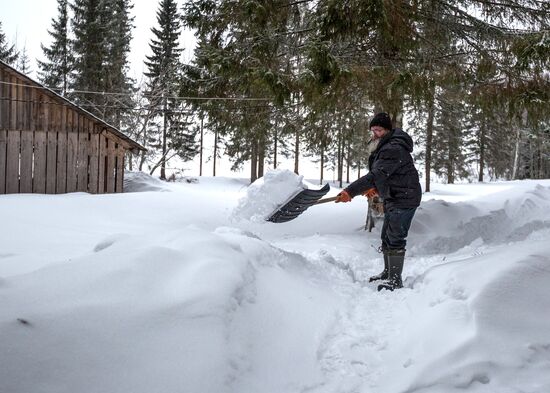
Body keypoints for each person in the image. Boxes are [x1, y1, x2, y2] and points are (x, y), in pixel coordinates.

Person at [335, 112, 422, 291]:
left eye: (379, 130)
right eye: (373, 130)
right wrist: (375, 187)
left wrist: (350, 191)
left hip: (404, 198)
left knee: (396, 238)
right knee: (386, 237)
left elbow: (376, 174)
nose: (375, 133)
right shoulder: (385, 145)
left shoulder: (393, 148)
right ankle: (388, 272)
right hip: (394, 195)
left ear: (388, 130)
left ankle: (395, 280)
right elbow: (384, 174)